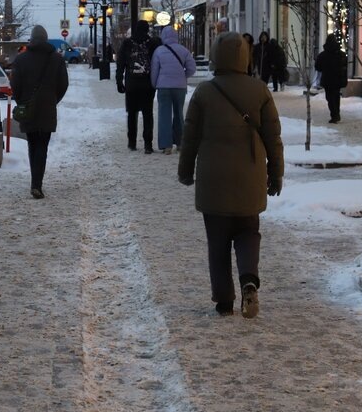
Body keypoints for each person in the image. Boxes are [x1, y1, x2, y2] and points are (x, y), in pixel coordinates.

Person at [178, 32, 284, 319]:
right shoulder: (260, 91)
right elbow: (273, 138)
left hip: (213, 178)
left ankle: (224, 300)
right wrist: (276, 174)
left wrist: (185, 171)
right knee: (249, 231)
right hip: (250, 174)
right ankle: (249, 279)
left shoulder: (204, 93)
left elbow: (189, 138)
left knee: (218, 240)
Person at [10, 25, 69, 199]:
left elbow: (15, 86)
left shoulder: (21, 60)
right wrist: (53, 100)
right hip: (47, 108)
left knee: (32, 143)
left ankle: (34, 182)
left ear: (32, 39)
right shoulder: (56, 59)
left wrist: (22, 102)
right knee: (42, 145)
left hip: (28, 108)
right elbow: (63, 84)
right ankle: (37, 184)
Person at [116, 20, 160, 153]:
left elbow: (120, 64)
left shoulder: (127, 43)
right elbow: (158, 62)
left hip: (131, 84)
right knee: (148, 114)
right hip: (148, 84)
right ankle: (148, 144)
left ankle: (132, 142)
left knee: (132, 114)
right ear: (147, 30)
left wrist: (119, 81)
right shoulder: (153, 43)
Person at [151, 26, 196, 154]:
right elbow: (192, 68)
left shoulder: (159, 51)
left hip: (164, 87)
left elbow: (155, 70)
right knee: (179, 114)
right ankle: (180, 143)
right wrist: (183, 76)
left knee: (164, 115)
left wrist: (155, 84)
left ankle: (166, 145)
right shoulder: (184, 50)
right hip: (180, 87)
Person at [314, 34, 349, 123]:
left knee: (329, 97)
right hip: (338, 79)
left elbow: (318, 67)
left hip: (328, 80)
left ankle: (334, 115)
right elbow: (344, 67)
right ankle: (336, 113)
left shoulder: (323, 55)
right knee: (336, 97)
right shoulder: (341, 54)